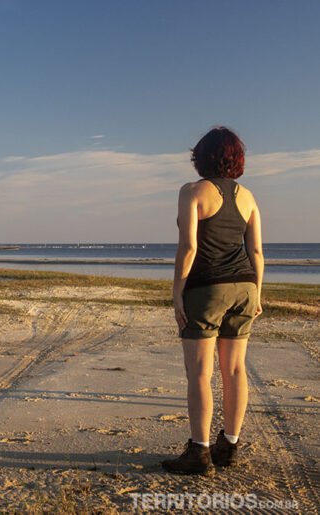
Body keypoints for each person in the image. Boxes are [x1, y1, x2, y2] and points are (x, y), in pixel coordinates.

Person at [161, 126, 264, 475]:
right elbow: (256, 251)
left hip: (207, 288)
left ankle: (199, 452)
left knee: (200, 373)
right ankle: (229, 445)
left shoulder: (192, 191)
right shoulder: (248, 197)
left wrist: (177, 290)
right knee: (235, 369)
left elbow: (189, 246)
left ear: (201, 158)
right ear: (237, 159)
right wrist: (257, 293)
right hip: (245, 286)